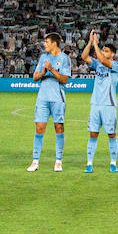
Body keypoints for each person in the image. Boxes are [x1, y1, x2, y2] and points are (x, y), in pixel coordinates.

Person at [29, 33, 71, 171]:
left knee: (59, 127)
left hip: (57, 98)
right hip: (42, 98)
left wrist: (52, 69)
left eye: (47, 42)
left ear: (54, 43)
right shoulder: (43, 57)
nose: (44, 44)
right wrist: (43, 71)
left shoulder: (64, 59)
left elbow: (64, 79)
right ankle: (35, 161)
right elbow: (35, 77)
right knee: (39, 128)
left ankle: (58, 161)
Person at [82, 30, 118, 173]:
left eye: (107, 51)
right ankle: (89, 163)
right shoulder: (97, 64)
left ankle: (113, 163)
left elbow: (104, 60)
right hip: (96, 104)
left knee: (111, 134)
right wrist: (90, 43)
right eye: (103, 50)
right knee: (93, 134)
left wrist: (97, 45)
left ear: (113, 54)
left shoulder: (116, 65)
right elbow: (84, 56)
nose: (104, 53)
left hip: (109, 105)